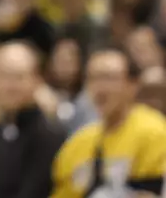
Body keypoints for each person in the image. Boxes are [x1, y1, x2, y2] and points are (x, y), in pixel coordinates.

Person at [49, 48, 166, 198]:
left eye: (108, 78)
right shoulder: (77, 142)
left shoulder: (154, 132)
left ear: (132, 85)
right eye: (92, 78)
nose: (100, 88)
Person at [0, 41, 62, 198]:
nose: (9, 86)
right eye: (3, 76)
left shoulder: (48, 134)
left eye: (18, 77)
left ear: (37, 80)